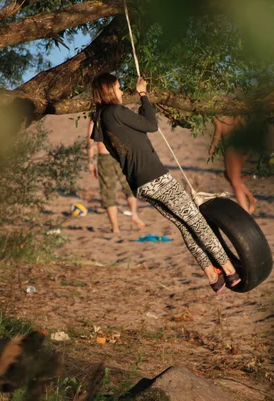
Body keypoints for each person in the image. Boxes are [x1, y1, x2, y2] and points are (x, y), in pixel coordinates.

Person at [91, 72, 240, 292]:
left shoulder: (101, 118)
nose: (121, 91)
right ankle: (229, 270)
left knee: (184, 225)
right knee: (196, 222)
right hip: (156, 178)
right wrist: (143, 94)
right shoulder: (116, 111)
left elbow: (131, 135)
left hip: (139, 185)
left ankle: (213, 277)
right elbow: (151, 125)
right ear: (109, 90)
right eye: (119, 87)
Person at [86, 117, 146, 233]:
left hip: (106, 158)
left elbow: (90, 141)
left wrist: (90, 162)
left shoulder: (95, 118)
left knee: (109, 193)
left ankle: (115, 228)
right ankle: (134, 215)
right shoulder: (115, 113)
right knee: (129, 187)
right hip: (120, 155)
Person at [208, 116, 257, 214]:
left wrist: (213, 146)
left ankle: (245, 211)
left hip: (232, 149)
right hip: (244, 146)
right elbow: (245, 127)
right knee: (229, 175)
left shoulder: (218, 116)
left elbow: (217, 133)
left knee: (235, 182)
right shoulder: (237, 113)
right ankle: (251, 199)